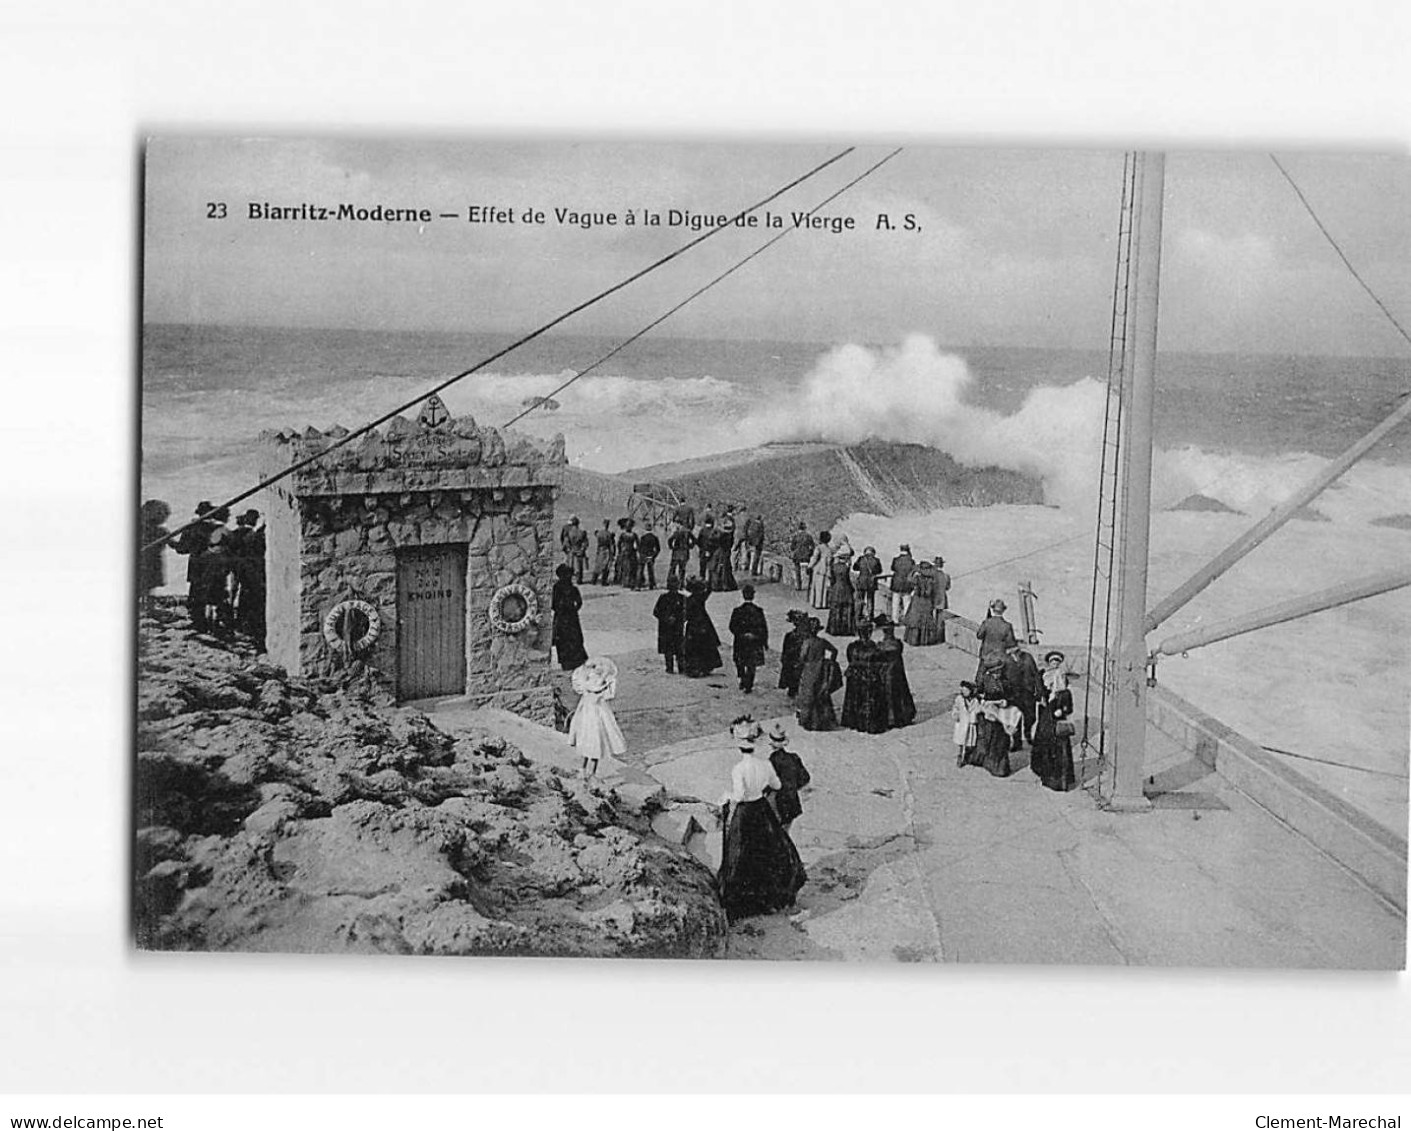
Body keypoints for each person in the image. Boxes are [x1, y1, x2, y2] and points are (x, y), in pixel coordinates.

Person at [716, 717, 807, 923]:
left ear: (739, 746)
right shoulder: (765, 764)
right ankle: (769, 898)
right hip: (762, 810)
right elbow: (776, 786)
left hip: (746, 812)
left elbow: (739, 796)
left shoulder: (738, 769)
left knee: (741, 855)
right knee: (770, 852)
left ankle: (744, 903)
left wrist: (725, 796)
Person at [568, 657, 627, 779]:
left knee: (595, 746)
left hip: (597, 719)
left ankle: (590, 772)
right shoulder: (589, 689)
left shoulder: (597, 690)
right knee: (589, 745)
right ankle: (584, 770)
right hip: (589, 719)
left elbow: (604, 692)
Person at [1030, 650, 1077, 792]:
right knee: (1044, 744)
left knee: (1059, 748)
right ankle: (1044, 773)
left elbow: (1068, 704)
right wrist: (1042, 699)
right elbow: (1038, 694)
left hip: (1057, 717)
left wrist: (1062, 709)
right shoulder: (1044, 676)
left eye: (1057, 662)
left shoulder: (1062, 678)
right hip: (1046, 716)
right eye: (1052, 662)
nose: (1055, 664)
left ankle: (1059, 781)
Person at [172, 501, 219, 632]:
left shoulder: (191, 527)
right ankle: (212, 623)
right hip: (213, 565)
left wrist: (171, 543)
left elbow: (182, 549)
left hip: (197, 565)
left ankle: (198, 623)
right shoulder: (216, 528)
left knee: (196, 593)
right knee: (212, 594)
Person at [840, 619, 888, 734]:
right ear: (870, 632)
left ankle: (854, 721)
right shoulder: (875, 648)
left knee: (855, 698)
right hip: (869, 676)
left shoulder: (852, 647)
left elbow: (850, 659)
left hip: (855, 675)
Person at [228, 508, 266, 649]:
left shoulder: (234, 533)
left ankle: (234, 620)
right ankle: (246, 624)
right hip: (251, 570)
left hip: (236, 566)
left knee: (233, 592)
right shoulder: (255, 535)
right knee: (249, 595)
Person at [794, 617, 839, 732]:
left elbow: (802, 657)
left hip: (809, 670)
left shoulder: (807, 642)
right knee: (821, 694)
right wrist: (830, 662)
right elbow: (834, 650)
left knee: (808, 694)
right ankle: (822, 721)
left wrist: (799, 666)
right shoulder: (822, 642)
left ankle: (808, 720)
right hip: (821, 669)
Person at [765, 722, 811, 831]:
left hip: (778, 801)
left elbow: (768, 783)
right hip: (792, 800)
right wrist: (793, 786)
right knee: (786, 831)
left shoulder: (772, 760)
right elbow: (805, 778)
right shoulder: (794, 757)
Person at [874, 615, 917, 728]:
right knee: (899, 694)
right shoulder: (897, 644)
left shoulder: (882, 646)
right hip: (896, 672)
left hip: (887, 672)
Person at [727, 584, 768, 693]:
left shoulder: (737, 611)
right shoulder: (758, 611)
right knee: (751, 663)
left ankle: (742, 678)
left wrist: (741, 634)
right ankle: (749, 683)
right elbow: (763, 627)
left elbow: (732, 626)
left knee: (740, 661)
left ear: (743, 595)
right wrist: (763, 641)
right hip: (754, 641)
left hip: (741, 641)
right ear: (753, 596)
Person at [1002, 643, 1043, 751]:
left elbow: (1036, 674)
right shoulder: (1005, 659)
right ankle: (1017, 742)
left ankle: (1028, 734)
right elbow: (1001, 677)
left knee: (1031, 716)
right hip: (1012, 694)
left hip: (1028, 693)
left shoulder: (1027, 657)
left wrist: (1039, 691)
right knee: (1015, 719)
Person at [679, 577, 723, 677]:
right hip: (703, 623)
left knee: (693, 647)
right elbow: (709, 590)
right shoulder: (700, 597)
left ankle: (694, 667)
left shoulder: (689, 599)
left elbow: (685, 614)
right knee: (705, 645)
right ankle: (705, 666)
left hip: (693, 624)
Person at [551, 563, 589, 671]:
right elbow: (554, 603)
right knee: (566, 638)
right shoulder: (560, 588)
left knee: (571, 638)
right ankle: (568, 660)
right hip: (567, 617)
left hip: (567, 617)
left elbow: (579, 602)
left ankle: (572, 659)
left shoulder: (568, 589)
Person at [138, 499, 171, 613]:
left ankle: (148, 606)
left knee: (148, 584)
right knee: (147, 584)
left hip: (151, 561)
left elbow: (175, 545)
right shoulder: (159, 531)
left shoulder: (160, 531)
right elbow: (176, 545)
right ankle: (147, 606)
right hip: (148, 560)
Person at [902, 558, 944, 646]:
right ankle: (924, 640)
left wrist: (913, 571)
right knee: (925, 620)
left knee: (915, 619)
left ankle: (913, 640)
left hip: (917, 601)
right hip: (927, 602)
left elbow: (909, 579)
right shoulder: (932, 580)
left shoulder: (917, 578)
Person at [975, 598, 1018, 677]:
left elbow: (979, 635)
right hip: (1000, 658)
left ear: (993, 610)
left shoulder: (987, 622)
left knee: (979, 680)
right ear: (1003, 611)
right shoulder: (1007, 626)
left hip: (986, 657)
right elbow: (1011, 643)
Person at [652, 575, 687, 673]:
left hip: (676, 628)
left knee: (679, 649)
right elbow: (656, 612)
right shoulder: (664, 598)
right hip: (667, 628)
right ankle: (670, 667)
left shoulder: (682, 598)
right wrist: (666, 619)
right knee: (669, 650)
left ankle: (681, 667)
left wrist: (678, 619)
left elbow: (686, 613)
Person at [825, 539, 856, 637]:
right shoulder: (846, 568)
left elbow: (832, 579)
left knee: (836, 608)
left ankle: (834, 629)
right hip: (845, 589)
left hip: (836, 588)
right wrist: (852, 588)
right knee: (846, 608)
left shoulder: (834, 567)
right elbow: (847, 580)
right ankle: (845, 630)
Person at [777, 609, 807, 697]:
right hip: (793, 659)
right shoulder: (791, 636)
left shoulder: (791, 635)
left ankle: (793, 689)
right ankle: (793, 689)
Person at [952, 681, 981, 768]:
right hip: (962, 723)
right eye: (963, 690)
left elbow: (978, 709)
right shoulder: (959, 699)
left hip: (971, 724)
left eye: (967, 691)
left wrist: (975, 716)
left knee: (970, 742)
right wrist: (955, 715)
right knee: (961, 742)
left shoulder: (975, 700)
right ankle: (960, 757)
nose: (965, 692)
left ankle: (968, 757)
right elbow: (955, 708)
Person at [887, 544, 916, 625]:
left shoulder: (896, 560)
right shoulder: (911, 561)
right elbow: (913, 571)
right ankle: (906, 619)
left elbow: (893, 568)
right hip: (907, 583)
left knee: (895, 602)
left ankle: (895, 619)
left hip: (896, 583)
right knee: (907, 602)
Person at [852, 545, 882, 623]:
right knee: (870, 600)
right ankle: (869, 617)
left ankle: (858, 616)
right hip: (871, 582)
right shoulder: (876, 560)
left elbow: (855, 568)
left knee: (860, 600)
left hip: (861, 581)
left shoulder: (861, 559)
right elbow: (879, 571)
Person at [807, 531, 832, 610]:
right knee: (824, 587)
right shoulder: (829, 549)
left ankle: (817, 603)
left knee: (818, 586)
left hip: (819, 568)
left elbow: (814, 558)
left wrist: (809, 566)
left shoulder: (819, 548)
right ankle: (824, 603)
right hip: (827, 569)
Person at [788, 522, 815, 592]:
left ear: (798, 528)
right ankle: (810, 585)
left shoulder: (796, 536)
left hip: (797, 556)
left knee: (797, 570)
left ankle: (798, 586)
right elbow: (812, 546)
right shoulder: (808, 536)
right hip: (806, 556)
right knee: (810, 569)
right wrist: (810, 554)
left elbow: (792, 547)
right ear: (805, 528)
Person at [562, 516, 589, 584]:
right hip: (579, 550)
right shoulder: (582, 532)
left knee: (570, 566)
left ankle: (569, 580)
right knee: (579, 566)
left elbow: (566, 542)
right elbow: (585, 542)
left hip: (571, 550)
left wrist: (568, 548)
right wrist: (582, 549)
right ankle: (579, 580)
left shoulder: (569, 532)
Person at [666, 522, 694, 588]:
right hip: (684, 552)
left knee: (672, 568)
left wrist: (672, 547)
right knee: (682, 569)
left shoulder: (677, 532)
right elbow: (694, 540)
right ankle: (681, 584)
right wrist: (690, 546)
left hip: (676, 553)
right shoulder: (688, 532)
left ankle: (670, 583)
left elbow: (670, 540)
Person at [932, 556, 951, 643]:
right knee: (940, 619)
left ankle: (931, 635)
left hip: (932, 598)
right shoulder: (946, 576)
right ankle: (939, 637)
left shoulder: (931, 575)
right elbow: (947, 587)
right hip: (942, 598)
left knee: (931, 617)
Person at [742, 511, 766, 577]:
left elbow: (748, 532)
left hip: (751, 542)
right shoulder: (760, 525)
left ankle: (747, 568)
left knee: (750, 556)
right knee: (756, 557)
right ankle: (753, 571)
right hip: (757, 544)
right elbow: (761, 535)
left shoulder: (752, 524)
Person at [592, 519, 615, 585]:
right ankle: (603, 581)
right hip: (606, 550)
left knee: (598, 565)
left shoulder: (599, 533)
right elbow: (611, 544)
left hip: (600, 550)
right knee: (606, 566)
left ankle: (594, 580)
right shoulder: (609, 534)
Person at [638, 523, 661, 589]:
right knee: (650, 570)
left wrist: (640, 554)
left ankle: (638, 585)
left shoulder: (643, 537)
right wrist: (654, 556)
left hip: (643, 555)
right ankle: (652, 585)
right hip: (650, 555)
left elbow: (639, 547)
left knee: (640, 570)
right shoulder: (654, 537)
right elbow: (658, 549)